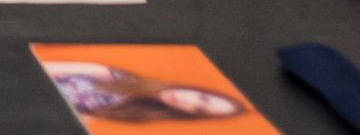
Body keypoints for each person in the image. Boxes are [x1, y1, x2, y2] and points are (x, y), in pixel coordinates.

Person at [40, 61, 251, 122]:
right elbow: (44, 66)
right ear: (197, 89)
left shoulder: (130, 114)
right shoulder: (115, 76)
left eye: (198, 110)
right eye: (202, 98)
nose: (189, 102)